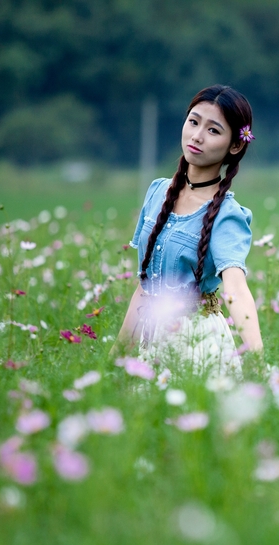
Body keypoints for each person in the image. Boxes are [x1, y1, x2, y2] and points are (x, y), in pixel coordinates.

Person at [111, 84, 265, 381]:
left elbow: (236, 290)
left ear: (235, 145)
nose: (197, 136)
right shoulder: (157, 192)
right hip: (150, 341)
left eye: (213, 130)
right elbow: (145, 288)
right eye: (193, 121)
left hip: (198, 344)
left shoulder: (226, 214)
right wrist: (116, 360)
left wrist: (258, 363)